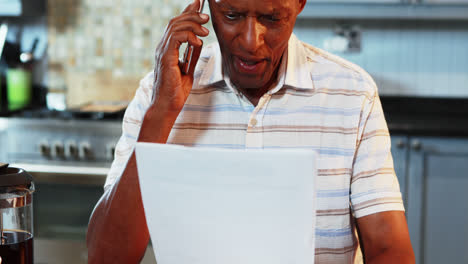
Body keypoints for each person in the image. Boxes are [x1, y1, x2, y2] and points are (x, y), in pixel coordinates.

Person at [87, 0, 415, 263]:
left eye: (272, 19)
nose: (249, 40)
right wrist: (162, 112)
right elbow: (106, 257)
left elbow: (388, 247)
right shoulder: (157, 93)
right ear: (204, 6)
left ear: (300, 4)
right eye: (231, 15)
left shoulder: (353, 94)